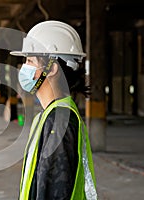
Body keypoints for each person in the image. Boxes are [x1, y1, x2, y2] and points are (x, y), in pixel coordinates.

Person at [11, 21, 97, 200]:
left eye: (30, 61)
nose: (23, 68)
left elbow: (54, 192)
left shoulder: (59, 121)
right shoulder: (49, 116)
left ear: (52, 69)